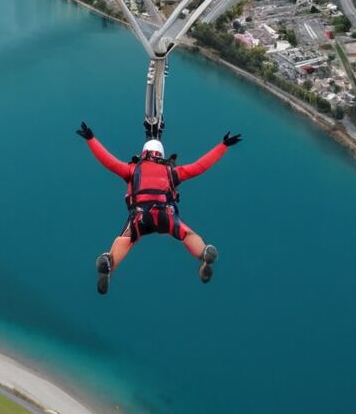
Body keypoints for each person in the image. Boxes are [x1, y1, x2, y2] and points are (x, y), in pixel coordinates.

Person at [76, 121, 241, 294]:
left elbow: (109, 162)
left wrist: (91, 139)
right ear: (162, 156)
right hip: (165, 213)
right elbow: (200, 166)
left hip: (140, 215)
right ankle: (204, 253)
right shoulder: (172, 172)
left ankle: (109, 263)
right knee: (187, 234)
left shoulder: (132, 170)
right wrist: (223, 146)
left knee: (125, 240)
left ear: (143, 154)